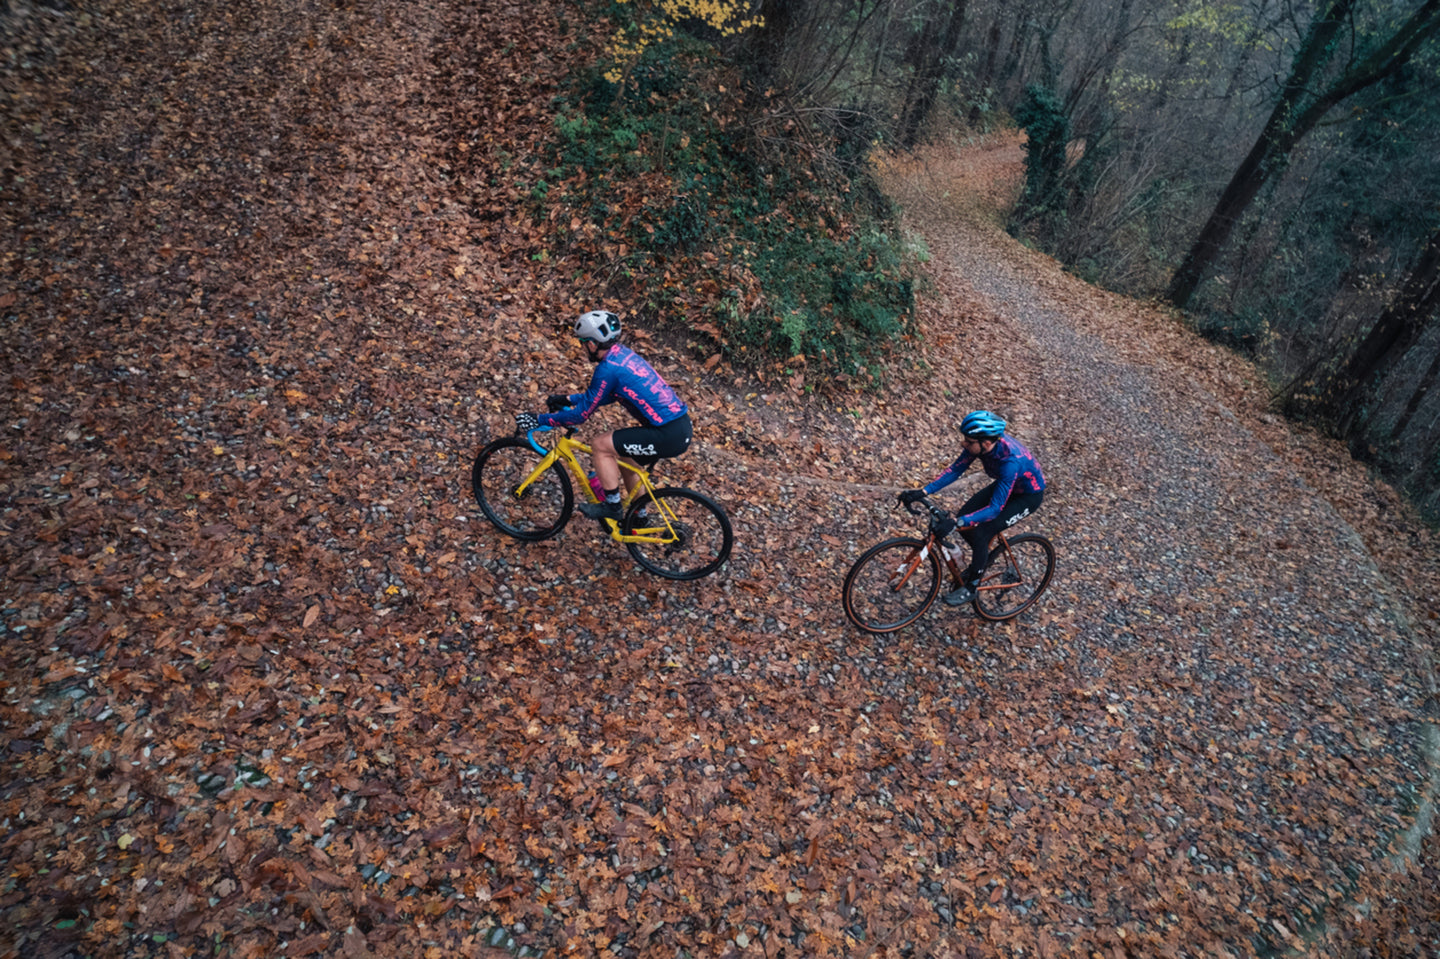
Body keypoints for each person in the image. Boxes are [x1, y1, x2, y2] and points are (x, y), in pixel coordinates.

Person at [515, 310, 692, 525]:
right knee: (627, 461)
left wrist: (539, 419)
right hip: (679, 426)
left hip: (667, 433)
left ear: (592, 343)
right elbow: (604, 395)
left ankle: (613, 505)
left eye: (582, 342)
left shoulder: (607, 369)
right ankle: (639, 516)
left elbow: (581, 415)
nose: (582, 347)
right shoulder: (622, 355)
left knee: (600, 445)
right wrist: (567, 398)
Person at [897, 410, 1045, 606]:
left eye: (968, 441)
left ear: (985, 443)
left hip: (1028, 496)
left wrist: (957, 523)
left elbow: (994, 509)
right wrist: (923, 492)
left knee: (982, 531)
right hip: (1007, 485)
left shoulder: (1009, 463)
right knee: (965, 517)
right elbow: (956, 469)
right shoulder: (983, 444)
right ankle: (981, 559)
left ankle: (972, 586)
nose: (963, 444)